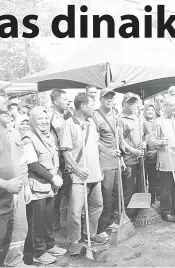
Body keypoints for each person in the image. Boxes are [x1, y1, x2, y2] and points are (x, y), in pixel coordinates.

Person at [60, 93, 107, 256]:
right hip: (78, 177)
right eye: (92, 104)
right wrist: (77, 169)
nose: (94, 107)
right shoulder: (68, 124)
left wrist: (108, 151)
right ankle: (74, 241)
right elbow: (65, 151)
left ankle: (91, 234)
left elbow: (95, 142)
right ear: (83, 106)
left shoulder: (92, 122)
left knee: (97, 206)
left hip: (95, 174)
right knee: (75, 212)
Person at [21, 106, 66, 265]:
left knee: (48, 219)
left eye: (46, 118)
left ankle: (49, 244)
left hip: (51, 187)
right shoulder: (28, 138)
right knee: (37, 222)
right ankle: (38, 252)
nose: (44, 121)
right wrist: (52, 178)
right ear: (33, 120)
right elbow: (32, 164)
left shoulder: (51, 136)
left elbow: (56, 159)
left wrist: (58, 175)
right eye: (40, 119)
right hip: (38, 187)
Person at [152, 96, 175, 222]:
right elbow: (152, 141)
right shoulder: (158, 121)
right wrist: (162, 141)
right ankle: (166, 212)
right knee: (166, 187)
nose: (174, 108)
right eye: (172, 106)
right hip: (166, 158)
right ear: (165, 107)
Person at [93, 88, 122, 239]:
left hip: (116, 159)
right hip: (104, 161)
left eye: (111, 97)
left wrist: (121, 157)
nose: (109, 99)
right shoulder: (95, 116)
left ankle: (110, 220)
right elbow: (95, 141)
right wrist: (107, 152)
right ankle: (101, 226)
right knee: (105, 195)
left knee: (115, 194)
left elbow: (118, 138)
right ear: (100, 99)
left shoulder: (115, 114)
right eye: (106, 97)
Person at [0, 94, 24, 267]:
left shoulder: (6, 132)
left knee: (6, 241)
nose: (6, 101)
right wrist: (6, 185)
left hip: (7, 201)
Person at [4, 114, 30, 267]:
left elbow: (22, 162)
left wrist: (26, 185)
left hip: (18, 189)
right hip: (5, 191)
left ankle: (15, 261)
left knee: (21, 226)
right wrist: (8, 189)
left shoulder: (14, 134)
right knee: (6, 229)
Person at [118, 93, 145, 215]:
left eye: (134, 102)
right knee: (129, 188)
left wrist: (144, 143)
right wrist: (133, 151)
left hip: (140, 158)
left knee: (140, 186)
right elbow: (120, 140)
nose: (132, 105)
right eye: (129, 102)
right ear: (124, 103)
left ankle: (139, 212)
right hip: (128, 159)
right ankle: (128, 216)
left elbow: (146, 134)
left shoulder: (139, 117)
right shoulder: (120, 118)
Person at [48, 88, 70, 233]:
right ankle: (54, 221)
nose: (67, 102)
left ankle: (64, 221)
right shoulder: (48, 117)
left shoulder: (69, 115)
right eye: (64, 99)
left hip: (67, 157)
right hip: (55, 159)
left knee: (67, 191)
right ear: (56, 101)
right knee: (56, 191)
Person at [143, 104, 159, 204]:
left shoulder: (158, 124)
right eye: (148, 110)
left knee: (153, 181)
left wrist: (156, 151)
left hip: (154, 157)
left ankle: (152, 201)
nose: (150, 111)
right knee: (143, 180)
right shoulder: (141, 123)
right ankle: (144, 201)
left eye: (152, 110)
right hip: (144, 157)